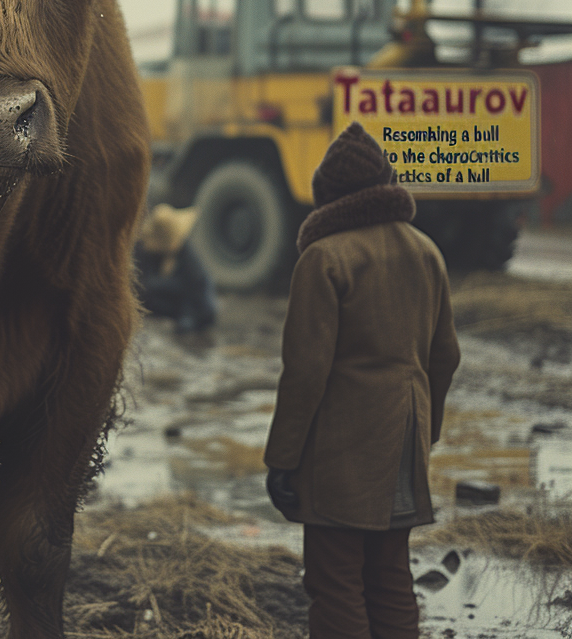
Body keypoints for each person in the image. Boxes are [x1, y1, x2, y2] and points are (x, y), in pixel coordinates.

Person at [263, 122, 460, 639]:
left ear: (327, 196)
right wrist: (426, 432)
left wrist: (282, 459)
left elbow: (304, 373)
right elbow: (446, 356)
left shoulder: (324, 258)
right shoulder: (427, 252)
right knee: (391, 578)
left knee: (336, 582)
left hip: (342, 453)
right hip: (404, 443)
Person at [134, 203, 216, 334]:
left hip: (190, 301)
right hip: (163, 297)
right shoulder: (144, 250)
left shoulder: (185, 252)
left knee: (202, 310)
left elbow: (199, 285)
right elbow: (143, 286)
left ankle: (187, 318)